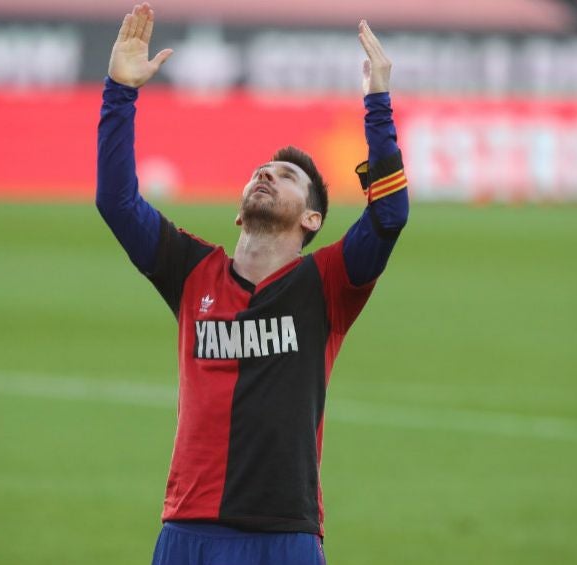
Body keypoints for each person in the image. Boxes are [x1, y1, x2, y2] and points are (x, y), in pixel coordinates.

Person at [96, 4, 408, 564]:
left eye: (287, 177)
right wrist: (120, 90)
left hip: (284, 534)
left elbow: (389, 216)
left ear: (311, 220)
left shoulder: (329, 283)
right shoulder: (191, 271)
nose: (266, 174)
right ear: (240, 213)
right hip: (189, 529)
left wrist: (377, 104)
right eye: (260, 170)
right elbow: (116, 203)